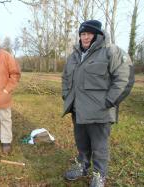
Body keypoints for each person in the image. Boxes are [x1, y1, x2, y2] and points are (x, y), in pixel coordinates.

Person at [62, 20, 134, 187]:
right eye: (82, 34)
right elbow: (65, 77)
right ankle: (82, 166)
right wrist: (67, 96)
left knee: (99, 147)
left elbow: (125, 78)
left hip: (100, 111)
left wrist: (110, 101)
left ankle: (99, 175)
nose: (85, 37)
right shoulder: (74, 55)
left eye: (89, 34)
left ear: (97, 35)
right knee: (81, 143)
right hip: (78, 110)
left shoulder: (111, 51)